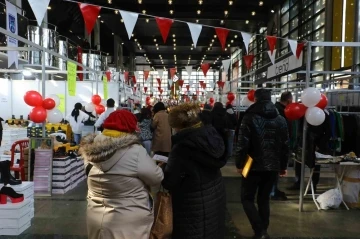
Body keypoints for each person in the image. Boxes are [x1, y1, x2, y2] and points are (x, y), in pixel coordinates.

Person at [80, 110, 163, 239]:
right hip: (129, 219)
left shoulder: (90, 148)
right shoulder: (135, 151)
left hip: (95, 217)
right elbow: (156, 178)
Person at [163, 103, 227, 239]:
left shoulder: (181, 148)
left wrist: (162, 167)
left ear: (178, 126)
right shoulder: (211, 136)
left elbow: (169, 182)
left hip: (191, 204)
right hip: (214, 197)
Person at [235, 89, 289, 239]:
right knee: (264, 199)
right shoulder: (281, 119)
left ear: (255, 99)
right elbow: (285, 145)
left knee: (246, 198)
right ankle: (262, 230)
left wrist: (239, 164)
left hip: (250, 164)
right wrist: (283, 166)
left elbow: (242, 144)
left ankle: (259, 231)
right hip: (273, 165)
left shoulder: (249, 117)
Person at [270, 92, 293, 201]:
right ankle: (273, 191)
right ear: (288, 100)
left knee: (273, 169)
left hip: (273, 144)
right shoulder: (281, 112)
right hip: (277, 144)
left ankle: (273, 190)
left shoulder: (275, 109)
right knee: (275, 169)